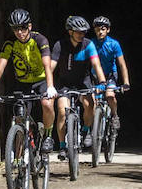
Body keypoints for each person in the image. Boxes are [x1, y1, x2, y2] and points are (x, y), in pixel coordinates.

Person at [0, 8, 58, 151]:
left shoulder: (40, 40)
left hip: (41, 81)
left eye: (23, 28)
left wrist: (50, 86)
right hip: (22, 83)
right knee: (19, 118)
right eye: (16, 29)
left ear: (29, 26)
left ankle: (48, 135)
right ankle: (18, 159)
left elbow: (47, 65)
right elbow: (0, 68)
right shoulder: (10, 43)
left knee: (47, 104)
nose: (20, 32)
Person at [48, 15, 114, 158]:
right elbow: (51, 66)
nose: (82, 34)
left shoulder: (88, 44)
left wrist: (102, 82)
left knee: (90, 104)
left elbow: (96, 64)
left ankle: (85, 131)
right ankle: (62, 146)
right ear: (70, 31)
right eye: (78, 32)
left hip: (83, 81)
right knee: (62, 111)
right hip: (64, 82)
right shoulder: (60, 45)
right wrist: (47, 85)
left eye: (84, 32)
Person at [90, 15, 131, 155]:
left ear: (108, 30)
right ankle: (92, 130)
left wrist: (126, 82)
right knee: (92, 101)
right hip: (95, 75)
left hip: (110, 75)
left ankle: (114, 116)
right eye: (97, 29)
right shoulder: (91, 43)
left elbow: (122, 64)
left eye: (103, 29)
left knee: (110, 95)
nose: (100, 32)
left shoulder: (114, 44)